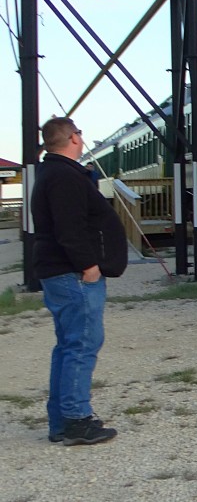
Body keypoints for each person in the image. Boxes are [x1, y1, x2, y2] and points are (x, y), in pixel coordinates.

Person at [31, 116, 128, 447]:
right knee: (81, 345)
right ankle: (75, 420)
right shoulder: (64, 176)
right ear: (73, 138)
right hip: (73, 274)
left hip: (61, 271)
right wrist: (88, 264)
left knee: (68, 346)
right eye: (80, 133)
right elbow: (69, 227)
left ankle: (62, 421)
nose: (82, 138)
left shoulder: (54, 172)